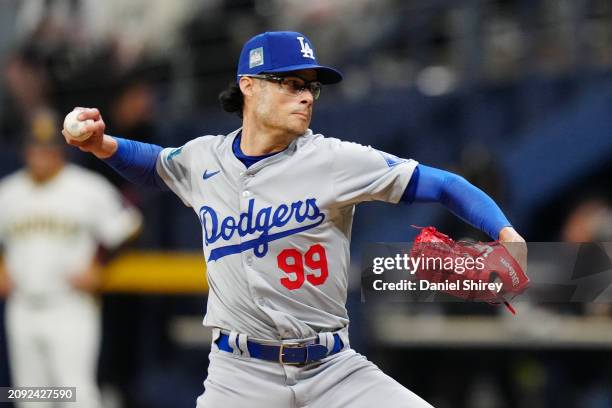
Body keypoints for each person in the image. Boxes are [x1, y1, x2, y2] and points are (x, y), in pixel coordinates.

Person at [62, 31, 526, 407]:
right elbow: (157, 163)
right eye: (291, 83)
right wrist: (103, 146)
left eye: (311, 87)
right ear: (249, 85)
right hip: (239, 377)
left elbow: (444, 184)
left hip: (332, 369)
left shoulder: (335, 160)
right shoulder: (205, 158)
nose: (306, 97)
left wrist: (503, 231)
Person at [0, 109, 142, 407]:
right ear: (25, 150)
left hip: (70, 305)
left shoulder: (86, 188)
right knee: (30, 396)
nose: (40, 154)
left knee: (76, 393)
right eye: (34, 147)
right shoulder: (8, 192)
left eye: (47, 147)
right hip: (22, 305)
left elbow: (128, 227)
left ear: (59, 150)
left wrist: (98, 265)